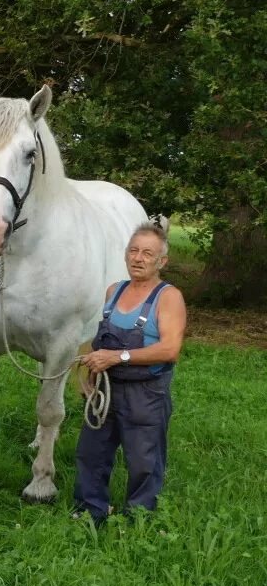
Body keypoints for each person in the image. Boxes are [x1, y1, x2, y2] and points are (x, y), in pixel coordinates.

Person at [72, 223, 187, 525]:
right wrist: (90, 375)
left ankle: (137, 519)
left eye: (148, 253)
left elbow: (170, 349)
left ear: (162, 261)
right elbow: (100, 340)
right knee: (91, 453)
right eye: (133, 250)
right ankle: (89, 510)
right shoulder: (115, 290)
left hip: (145, 393)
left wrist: (118, 357)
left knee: (143, 461)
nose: (138, 258)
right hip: (106, 389)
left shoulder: (168, 297)